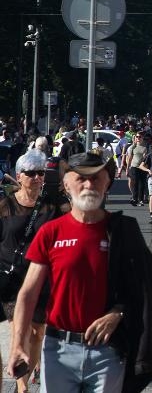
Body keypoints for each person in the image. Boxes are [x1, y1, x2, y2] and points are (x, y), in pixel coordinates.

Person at [7, 150, 152, 392]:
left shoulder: (123, 231)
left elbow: (147, 286)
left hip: (108, 351)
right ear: (66, 185)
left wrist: (118, 313)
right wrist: (18, 344)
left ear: (107, 183)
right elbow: (28, 294)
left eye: (96, 178)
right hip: (58, 351)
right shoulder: (51, 232)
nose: (89, 184)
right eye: (80, 178)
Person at [0, 151, 63, 393]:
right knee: (20, 329)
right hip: (12, 279)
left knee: (38, 332)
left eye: (41, 173)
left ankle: (26, 375)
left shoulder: (52, 205)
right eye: (31, 173)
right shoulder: (5, 206)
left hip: (41, 277)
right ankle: (22, 387)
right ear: (19, 176)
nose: (37, 177)